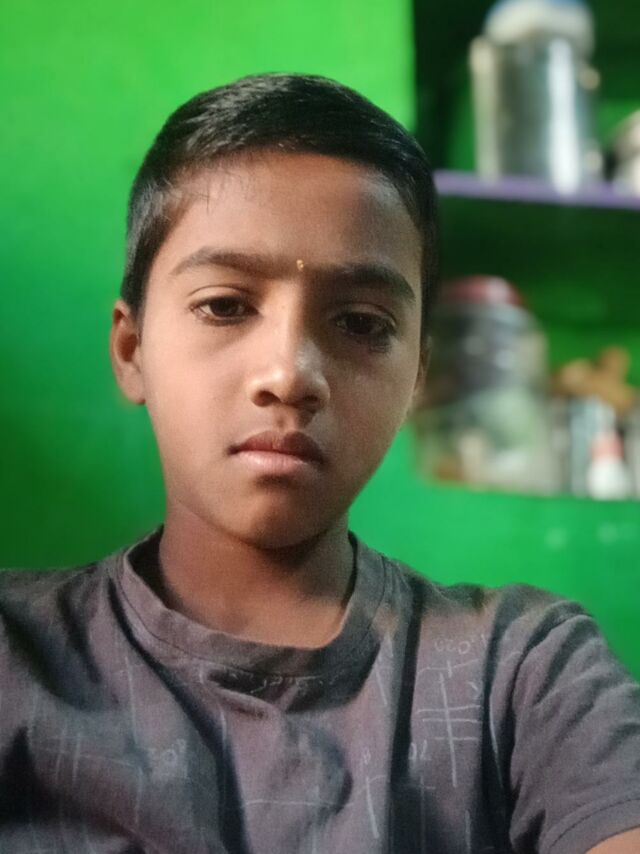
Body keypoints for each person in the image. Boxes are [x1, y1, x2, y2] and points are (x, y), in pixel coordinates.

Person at [0, 72, 638, 854]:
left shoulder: (522, 675)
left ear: (416, 376)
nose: (290, 373)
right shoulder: (17, 659)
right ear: (132, 349)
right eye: (225, 305)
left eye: (362, 324)